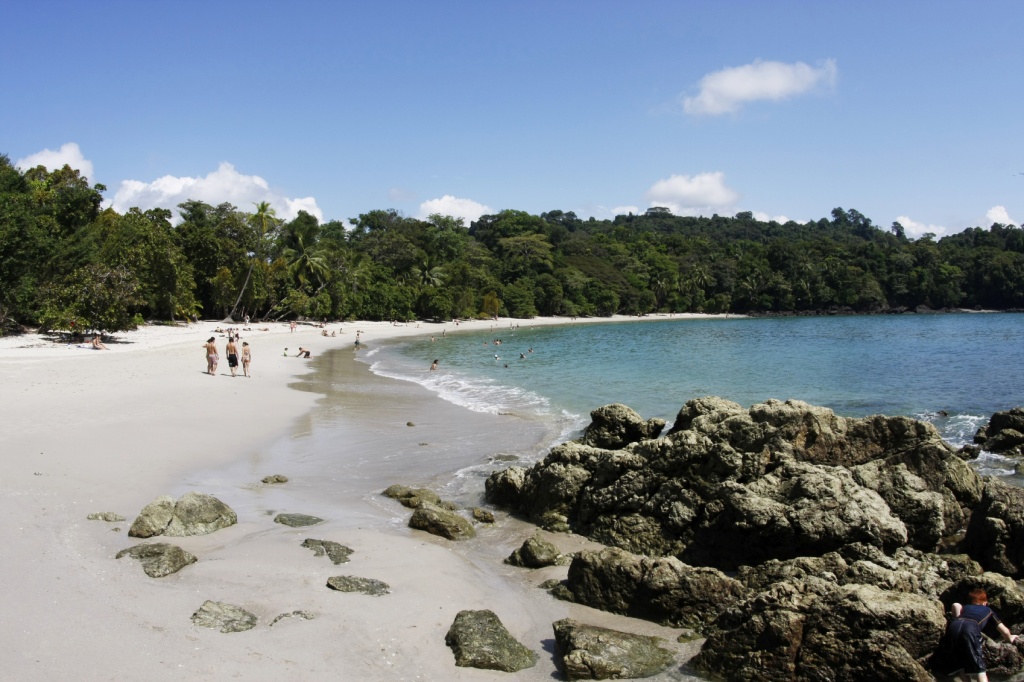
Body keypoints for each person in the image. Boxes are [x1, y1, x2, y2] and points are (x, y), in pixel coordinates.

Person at [944, 587, 1019, 681]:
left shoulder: (965, 607)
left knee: (961, 664)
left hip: (953, 627)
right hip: (970, 628)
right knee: (979, 668)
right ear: (984, 603)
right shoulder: (987, 610)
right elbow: (1004, 631)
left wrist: (957, 618)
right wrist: (1010, 638)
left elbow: (955, 605)